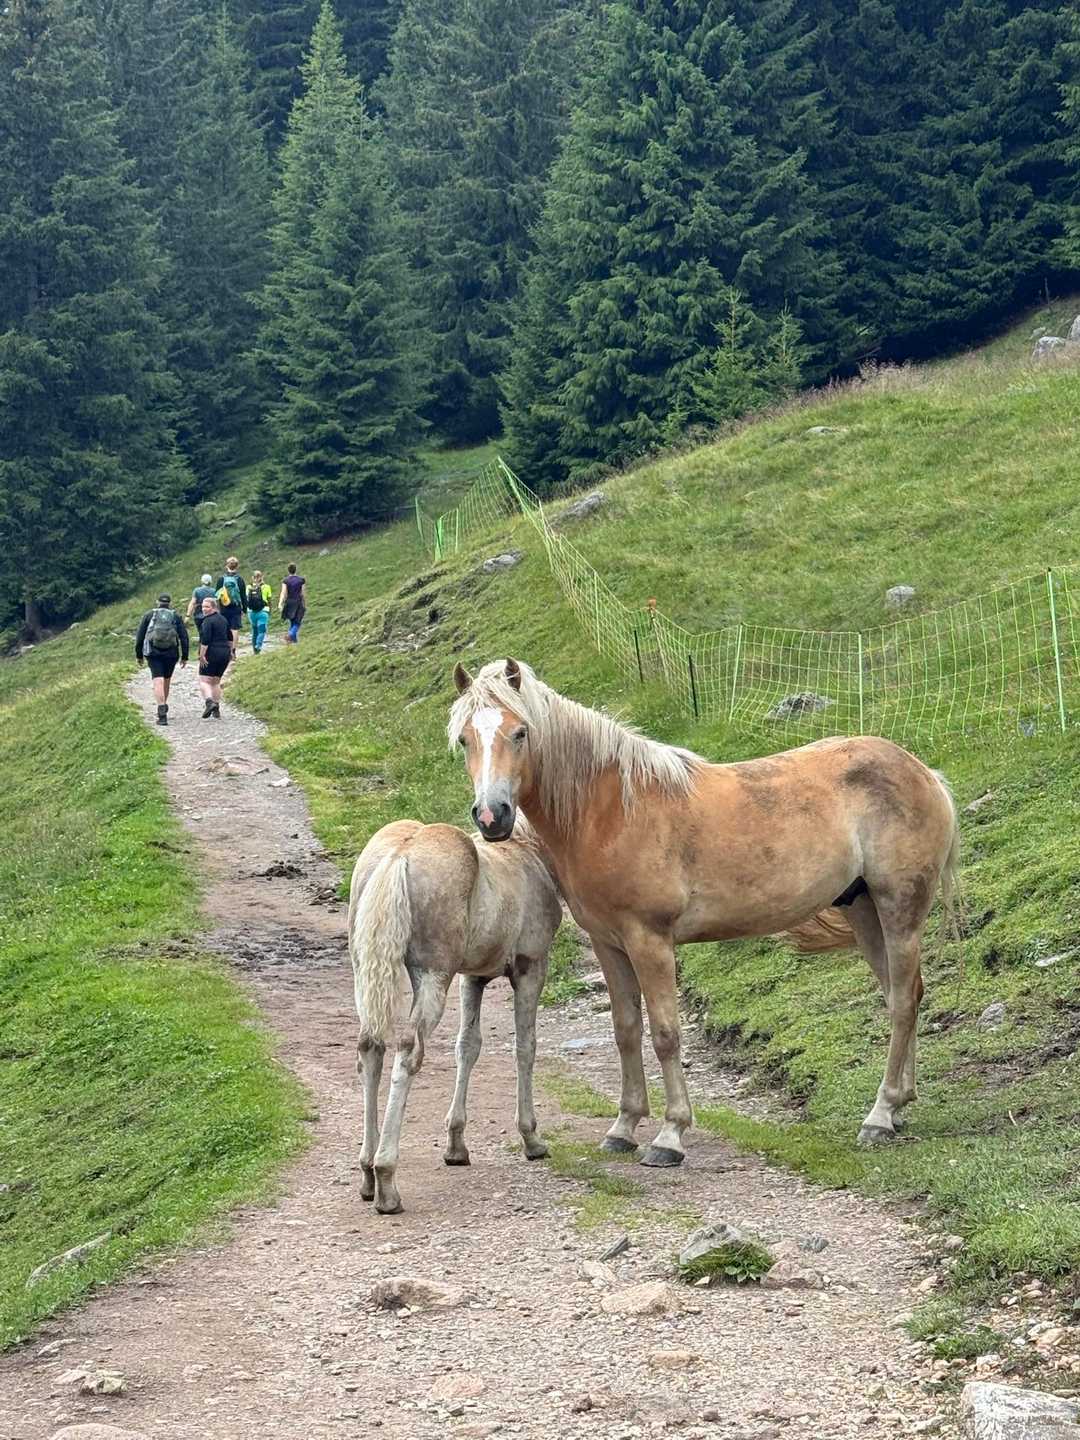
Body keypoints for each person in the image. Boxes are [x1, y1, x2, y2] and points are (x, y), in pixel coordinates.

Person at [135, 593, 189, 725]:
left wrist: (139, 655)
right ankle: (164, 705)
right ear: (170, 603)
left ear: (157, 602)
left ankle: (161, 711)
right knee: (166, 680)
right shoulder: (175, 616)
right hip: (171, 653)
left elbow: (140, 636)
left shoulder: (149, 615)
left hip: (153, 653)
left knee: (157, 680)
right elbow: (184, 637)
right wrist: (185, 656)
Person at [197, 596, 232, 719]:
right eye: (203, 607)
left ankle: (209, 702)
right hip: (224, 653)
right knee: (216, 681)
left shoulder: (207, 621)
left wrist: (202, 655)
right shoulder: (223, 619)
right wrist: (231, 651)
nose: (204, 609)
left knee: (204, 680)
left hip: (211, 652)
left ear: (214, 607)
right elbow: (230, 637)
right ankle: (216, 709)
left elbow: (205, 640)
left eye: (207, 607)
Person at [215, 556, 247, 655]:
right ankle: (233, 650)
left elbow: (217, 595)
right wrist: (244, 609)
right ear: (237, 566)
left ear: (227, 566)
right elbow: (243, 595)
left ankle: (226, 649)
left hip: (224, 607)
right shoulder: (240, 579)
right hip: (236, 607)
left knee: (225, 628)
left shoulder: (221, 579)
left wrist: (218, 608)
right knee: (235, 629)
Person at [279, 562, 307, 645]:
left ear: (288, 570)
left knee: (292, 621)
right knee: (297, 622)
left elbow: (283, 593)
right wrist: (304, 603)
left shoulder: (285, 580)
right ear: (295, 570)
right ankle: (290, 635)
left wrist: (280, 603)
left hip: (289, 602)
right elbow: (303, 593)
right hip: (298, 602)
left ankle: (294, 642)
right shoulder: (301, 580)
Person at [247, 569, 272, 654]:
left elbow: (246, 599)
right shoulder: (267, 587)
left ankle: (255, 651)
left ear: (252, 578)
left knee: (255, 631)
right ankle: (258, 645)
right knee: (262, 630)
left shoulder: (248, 587)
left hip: (251, 612)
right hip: (263, 611)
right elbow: (269, 600)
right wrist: (270, 610)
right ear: (262, 577)